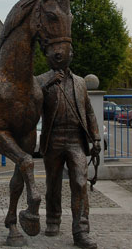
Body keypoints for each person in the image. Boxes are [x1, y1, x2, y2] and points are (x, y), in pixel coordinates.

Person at [36, 43, 101, 249]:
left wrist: (96, 137)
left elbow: (89, 112)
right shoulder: (41, 80)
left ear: (71, 56)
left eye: (69, 52)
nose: (65, 55)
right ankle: (53, 220)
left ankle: (81, 230)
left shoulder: (81, 83)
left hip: (76, 140)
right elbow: (31, 105)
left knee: (81, 182)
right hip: (53, 138)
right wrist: (45, 87)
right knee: (53, 183)